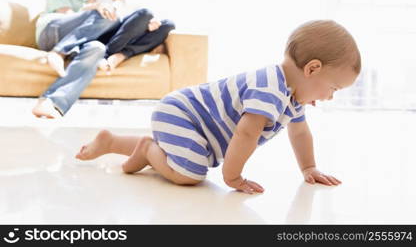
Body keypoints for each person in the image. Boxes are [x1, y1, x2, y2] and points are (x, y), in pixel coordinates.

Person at [75, 20, 361, 194]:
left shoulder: (292, 95)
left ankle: (112, 142)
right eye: (333, 88)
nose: (330, 97)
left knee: (182, 150)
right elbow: (246, 134)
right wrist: (233, 176)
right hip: (184, 114)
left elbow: (300, 133)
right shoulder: (269, 90)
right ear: (312, 68)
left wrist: (309, 167)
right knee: (191, 173)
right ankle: (149, 150)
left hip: (187, 119)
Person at [32, 0, 119, 119]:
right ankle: (58, 52)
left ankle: (51, 102)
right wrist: (93, 8)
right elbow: (66, 15)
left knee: (97, 48)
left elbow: (86, 30)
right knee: (105, 15)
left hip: (75, 42)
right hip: (52, 32)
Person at [95, 0, 175, 71]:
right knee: (146, 13)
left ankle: (122, 54)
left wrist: (152, 22)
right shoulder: (101, 0)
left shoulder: (134, 3)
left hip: (132, 38)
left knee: (168, 24)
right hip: (111, 37)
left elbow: (144, 20)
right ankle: (108, 54)